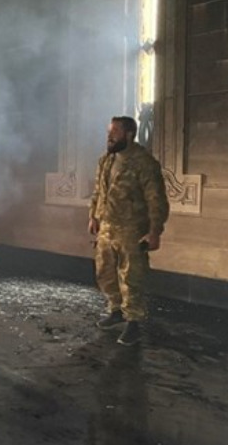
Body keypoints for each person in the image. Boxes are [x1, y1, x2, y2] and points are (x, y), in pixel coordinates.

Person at [88, 116, 170, 346]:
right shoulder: (106, 160)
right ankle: (116, 310)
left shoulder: (144, 163)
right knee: (104, 272)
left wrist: (155, 231)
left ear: (129, 134)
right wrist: (93, 216)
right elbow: (98, 191)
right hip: (106, 227)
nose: (109, 136)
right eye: (108, 132)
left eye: (114, 132)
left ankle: (133, 322)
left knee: (131, 276)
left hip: (131, 229)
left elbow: (156, 201)